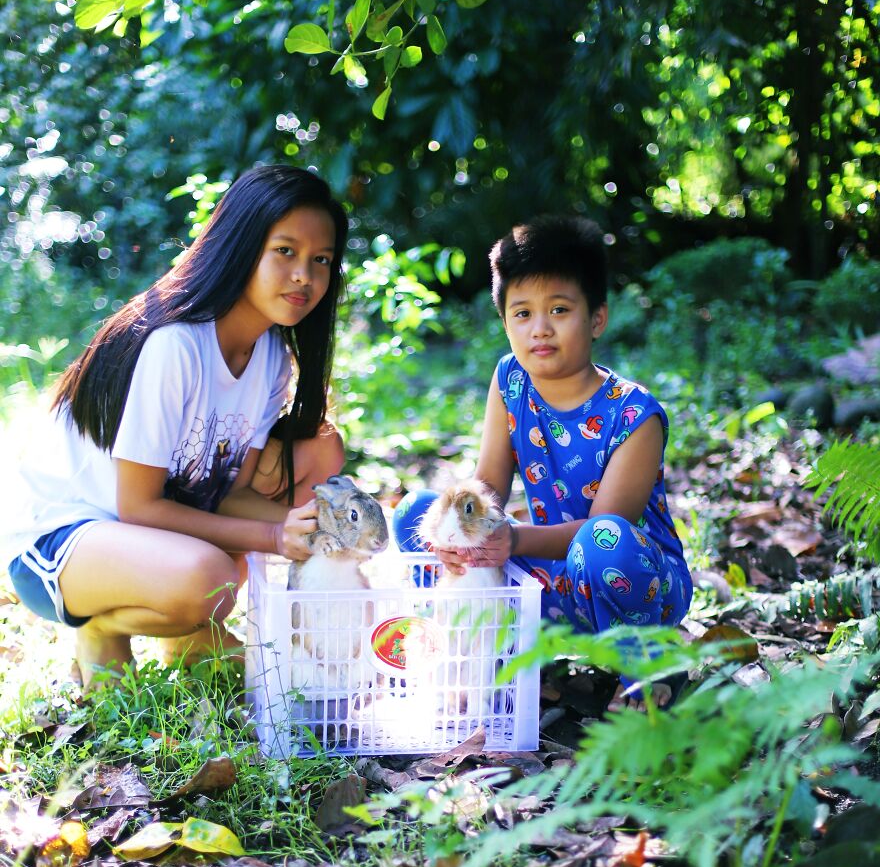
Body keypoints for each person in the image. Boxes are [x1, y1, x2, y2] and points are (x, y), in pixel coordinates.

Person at [4, 163, 348, 688]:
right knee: (211, 578)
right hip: (61, 542)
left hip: (140, 537)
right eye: (285, 251)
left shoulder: (271, 356)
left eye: (321, 259)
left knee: (321, 451)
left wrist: (322, 531)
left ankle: (186, 636)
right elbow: (138, 506)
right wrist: (274, 534)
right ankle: (102, 628)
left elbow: (231, 497)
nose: (305, 274)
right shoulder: (176, 345)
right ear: (241, 245)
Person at [394, 213, 692, 710]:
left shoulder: (635, 414)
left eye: (558, 309)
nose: (540, 329)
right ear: (505, 321)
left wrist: (512, 538)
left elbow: (606, 526)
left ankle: (649, 665)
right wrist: (463, 540)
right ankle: (467, 654)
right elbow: (487, 484)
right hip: (548, 571)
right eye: (522, 313)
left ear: (596, 318)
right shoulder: (511, 378)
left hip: (631, 579)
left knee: (605, 542)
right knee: (417, 516)